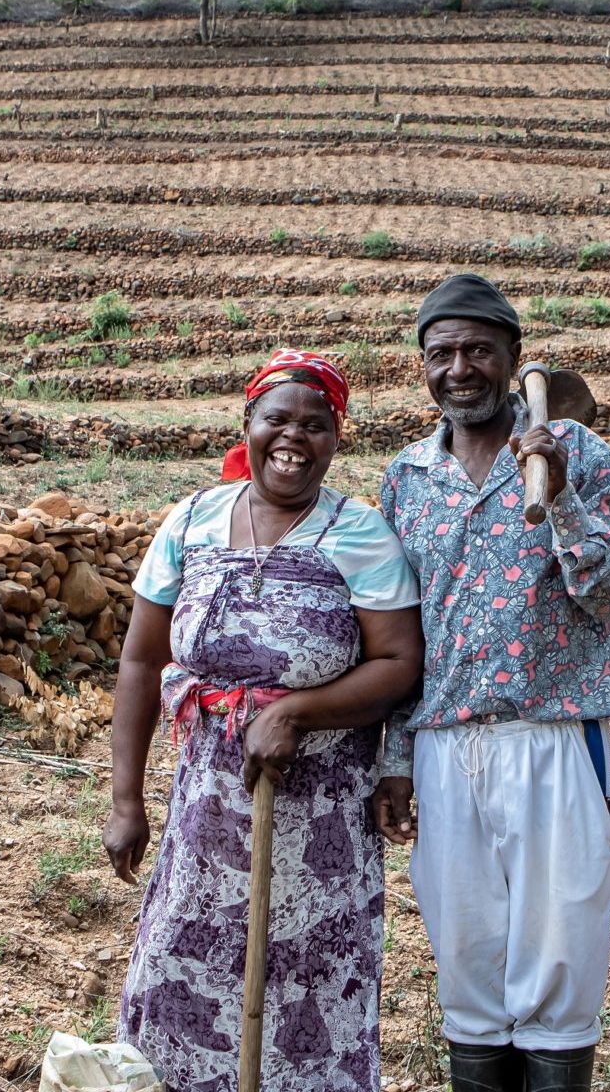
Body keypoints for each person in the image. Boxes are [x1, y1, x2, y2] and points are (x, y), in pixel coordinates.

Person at [103, 349, 426, 1092]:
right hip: (204, 814)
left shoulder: (362, 535)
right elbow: (141, 663)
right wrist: (127, 803)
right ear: (246, 425)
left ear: (335, 440)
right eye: (277, 418)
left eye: (316, 424)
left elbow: (400, 663)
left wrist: (297, 711)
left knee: (308, 990)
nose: (294, 437)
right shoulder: (192, 521)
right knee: (182, 978)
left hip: (321, 826)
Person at [371, 274, 610, 1092]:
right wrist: (396, 753)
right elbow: (401, 632)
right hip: (446, 748)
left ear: (514, 359)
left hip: (554, 738)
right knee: (469, 963)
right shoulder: (407, 478)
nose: (459, 368)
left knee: (560, 960)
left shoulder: (581, 454)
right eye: (441, 353)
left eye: (478, 351)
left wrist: (558, 497)